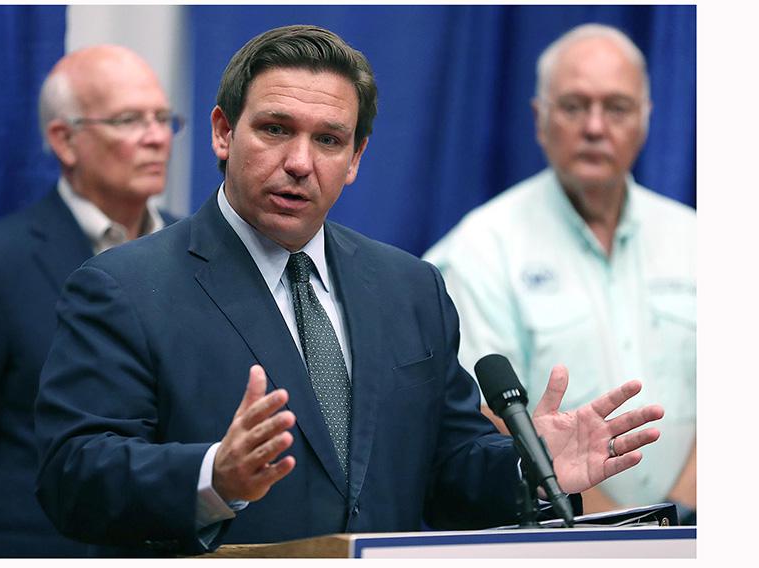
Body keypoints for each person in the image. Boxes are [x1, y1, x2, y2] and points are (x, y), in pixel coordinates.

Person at [34, 25, 665, 557]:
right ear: (224, 134)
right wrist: (212, 475)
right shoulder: (124, 286)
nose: (301, 162)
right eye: (276, 129)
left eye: (329, 140)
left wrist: (530, 466)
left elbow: (445, 470)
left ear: (357, 157)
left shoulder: (410, 286)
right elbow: (72, 476)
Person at [0, 44, 183, 557]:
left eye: (163, 118)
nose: (156, 138)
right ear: (65, 140)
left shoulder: (194, 252)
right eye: (129, 120)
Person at [423, 24, 695, 521]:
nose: (594, 127)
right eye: (573, 106)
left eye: (616, 107)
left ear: (646, 118)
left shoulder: (702, 239)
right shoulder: (478, 250)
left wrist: (684, 517)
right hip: (558, 533)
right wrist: (623, 528)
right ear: (539, 120)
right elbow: (479, 422)